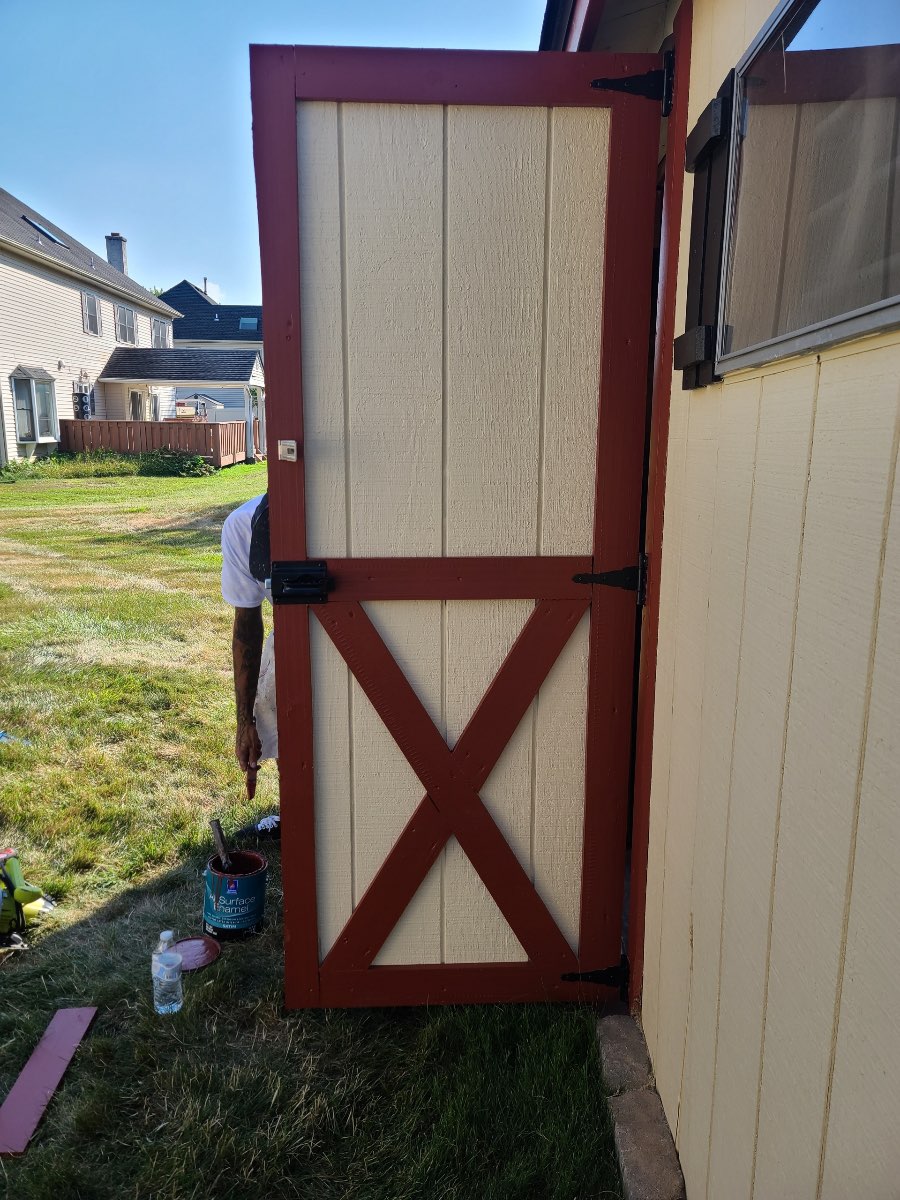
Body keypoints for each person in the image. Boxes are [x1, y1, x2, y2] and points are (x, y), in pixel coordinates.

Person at [220, 492, 280, 837]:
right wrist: (245, 721)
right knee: (276, 696)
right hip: (292, 626)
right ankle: (296, 806)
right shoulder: (241, 528)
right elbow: (247, 625)